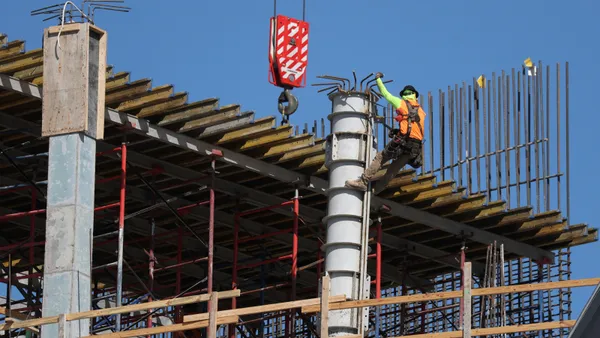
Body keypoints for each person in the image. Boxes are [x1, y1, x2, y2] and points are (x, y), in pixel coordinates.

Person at [345, 72, 426, 193]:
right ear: (416, 97)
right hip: (415, 147)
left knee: (380, 157)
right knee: (392, 170)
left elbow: (385, 94)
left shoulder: (401, 103)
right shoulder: (421, 111)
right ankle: (375, 192)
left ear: (404, 95)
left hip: (403, 141)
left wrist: (378, 79)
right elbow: (413, 128)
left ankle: (363, 181)